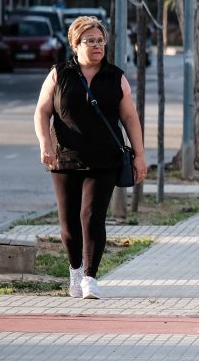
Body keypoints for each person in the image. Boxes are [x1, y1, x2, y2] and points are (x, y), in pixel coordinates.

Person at [33, 16, 148, 300]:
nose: (97, 45)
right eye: (90, 41)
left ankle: (90, 278)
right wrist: (44, 144)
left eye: (100, 40)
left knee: (92, 217)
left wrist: (140, 156)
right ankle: (74, 269)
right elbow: (41, 111)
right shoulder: (59, 74)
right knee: (69, 223)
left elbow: (130, 118)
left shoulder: (115, 76)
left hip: (104, 159)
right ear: (75, 45)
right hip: (64, 158)